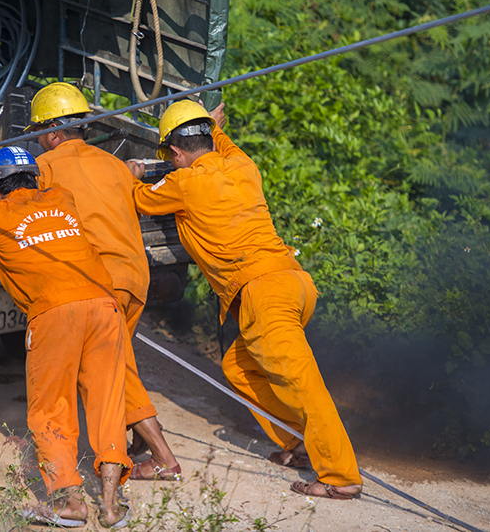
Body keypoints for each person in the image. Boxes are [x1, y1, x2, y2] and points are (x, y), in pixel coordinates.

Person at [126, 100, 363, 501]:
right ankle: (297, 441)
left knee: (305, 387)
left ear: (176, 153)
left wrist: (131, 172)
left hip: (264, 295)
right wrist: (213, 126)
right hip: (295, 284)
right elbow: (222, 142)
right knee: (238, 367)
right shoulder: (241, 164)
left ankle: (340, 475)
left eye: (170, 154)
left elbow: (136, 197)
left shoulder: (183, 183)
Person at [0, 146, 132, 527]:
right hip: (105, 305)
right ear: (36, 179)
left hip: (54, 314)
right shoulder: (62, 198)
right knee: (107, 403)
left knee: (51, 408)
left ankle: (69, 504)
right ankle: (111, 503)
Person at [25, 82, 182, 481]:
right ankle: (145, 442)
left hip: (100, 281)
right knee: (116, 364)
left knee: (105, 370)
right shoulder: (114, 162)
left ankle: (163, 455)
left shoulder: (45, 168)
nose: (41, 141)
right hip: (136, 275)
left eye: (41, 132)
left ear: (54, 133)